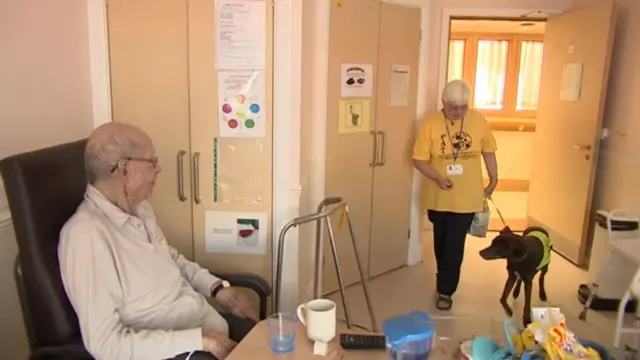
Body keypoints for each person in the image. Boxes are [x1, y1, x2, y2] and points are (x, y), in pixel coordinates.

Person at [58, 123, 257, 360]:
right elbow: (106, 345)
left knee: (277, 342)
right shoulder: (86, 236)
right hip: (178, 352)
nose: (158, 170)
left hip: (207, 328)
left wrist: (217, 288)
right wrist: (200, 340)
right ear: (125, 169)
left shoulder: (140, 209)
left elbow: (171, 260)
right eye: (152, 162)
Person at [412, 80, 498, 310]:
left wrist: (494, 177)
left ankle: (446, 291)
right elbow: (418, 159)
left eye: (463, 107)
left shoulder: (478, 120)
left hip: (467, 197)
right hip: (438, 197)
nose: (459, 112)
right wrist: (438, 178)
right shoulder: (430, 124)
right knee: (440, 244)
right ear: (444, 103)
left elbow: (489, 151)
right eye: (453, 108)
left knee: (454, 245)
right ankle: (444, 279)